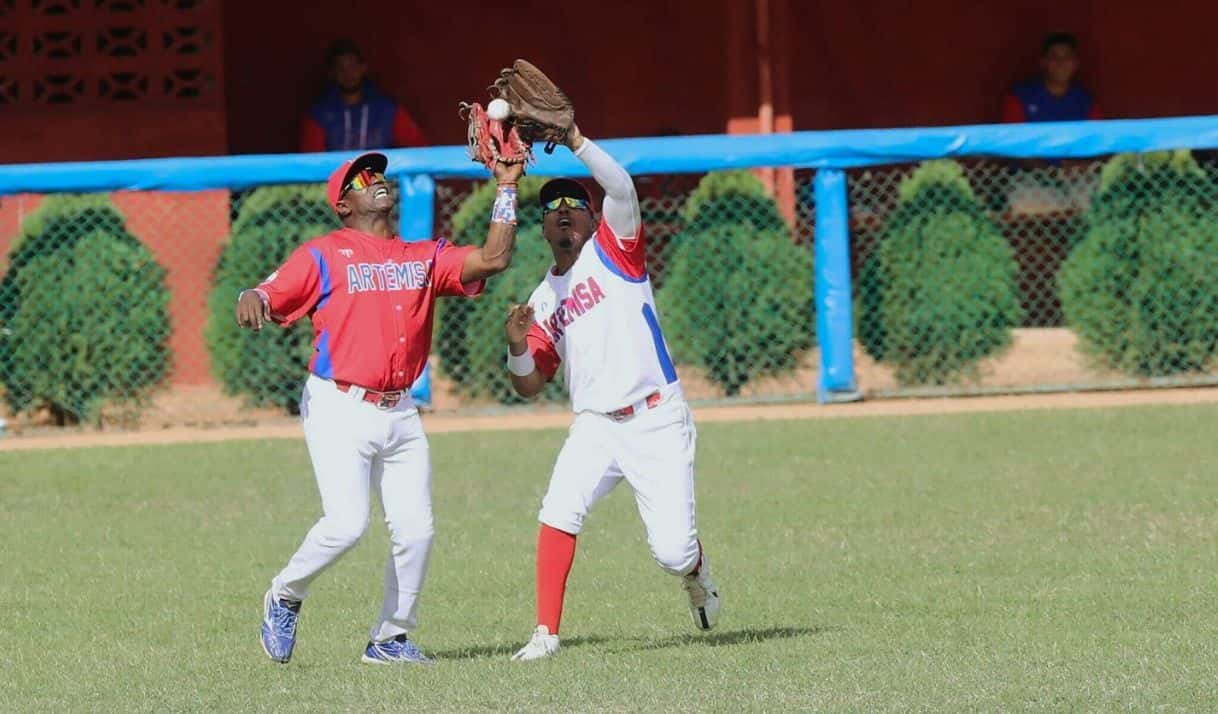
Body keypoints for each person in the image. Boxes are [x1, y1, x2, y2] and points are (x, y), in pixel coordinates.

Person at [240, 151, 523, 664]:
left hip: (401, 412)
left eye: (380, 174)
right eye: (362, 179)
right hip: (338, 404)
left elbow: (493, 259)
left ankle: (389, 639)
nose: (378, 181)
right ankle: (285, 593)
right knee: (346, 524)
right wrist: (252, 294)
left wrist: (506, 187)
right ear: (343, 205)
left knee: (417, 529)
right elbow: (268, 290)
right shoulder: (324, 253)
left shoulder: (423, 255)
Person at [502, 125, 721, 661]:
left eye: (574, 202)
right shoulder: (543, 298)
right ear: (543, 224)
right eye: (552, 205)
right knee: (558, 512)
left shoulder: (615, 250)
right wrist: (515, 346)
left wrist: (575, 139)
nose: (562, 209)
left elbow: (622, 187)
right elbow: (530, 384)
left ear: (591, 216)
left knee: (670, 551)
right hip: (596, 424)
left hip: (655, 416)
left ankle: (695, 570)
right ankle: (546, 634)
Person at [299, 39, 428, 152]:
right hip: (336, 178)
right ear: (332, 73)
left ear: (363, 68)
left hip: (379, 178)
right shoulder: (320, 114)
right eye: (341, 68)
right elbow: (311, 163)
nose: (348, 74)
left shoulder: (387, 110)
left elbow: (419, 149)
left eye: (353, 67)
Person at [1002, 32, 1102, 123]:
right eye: (1054, 57)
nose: (1061, 63)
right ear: (1043, 62)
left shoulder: (1087, 102)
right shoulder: (1021, 97)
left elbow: (1097, 138)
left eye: (1067, 57)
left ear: (1076, 64)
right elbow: (1011, 139)